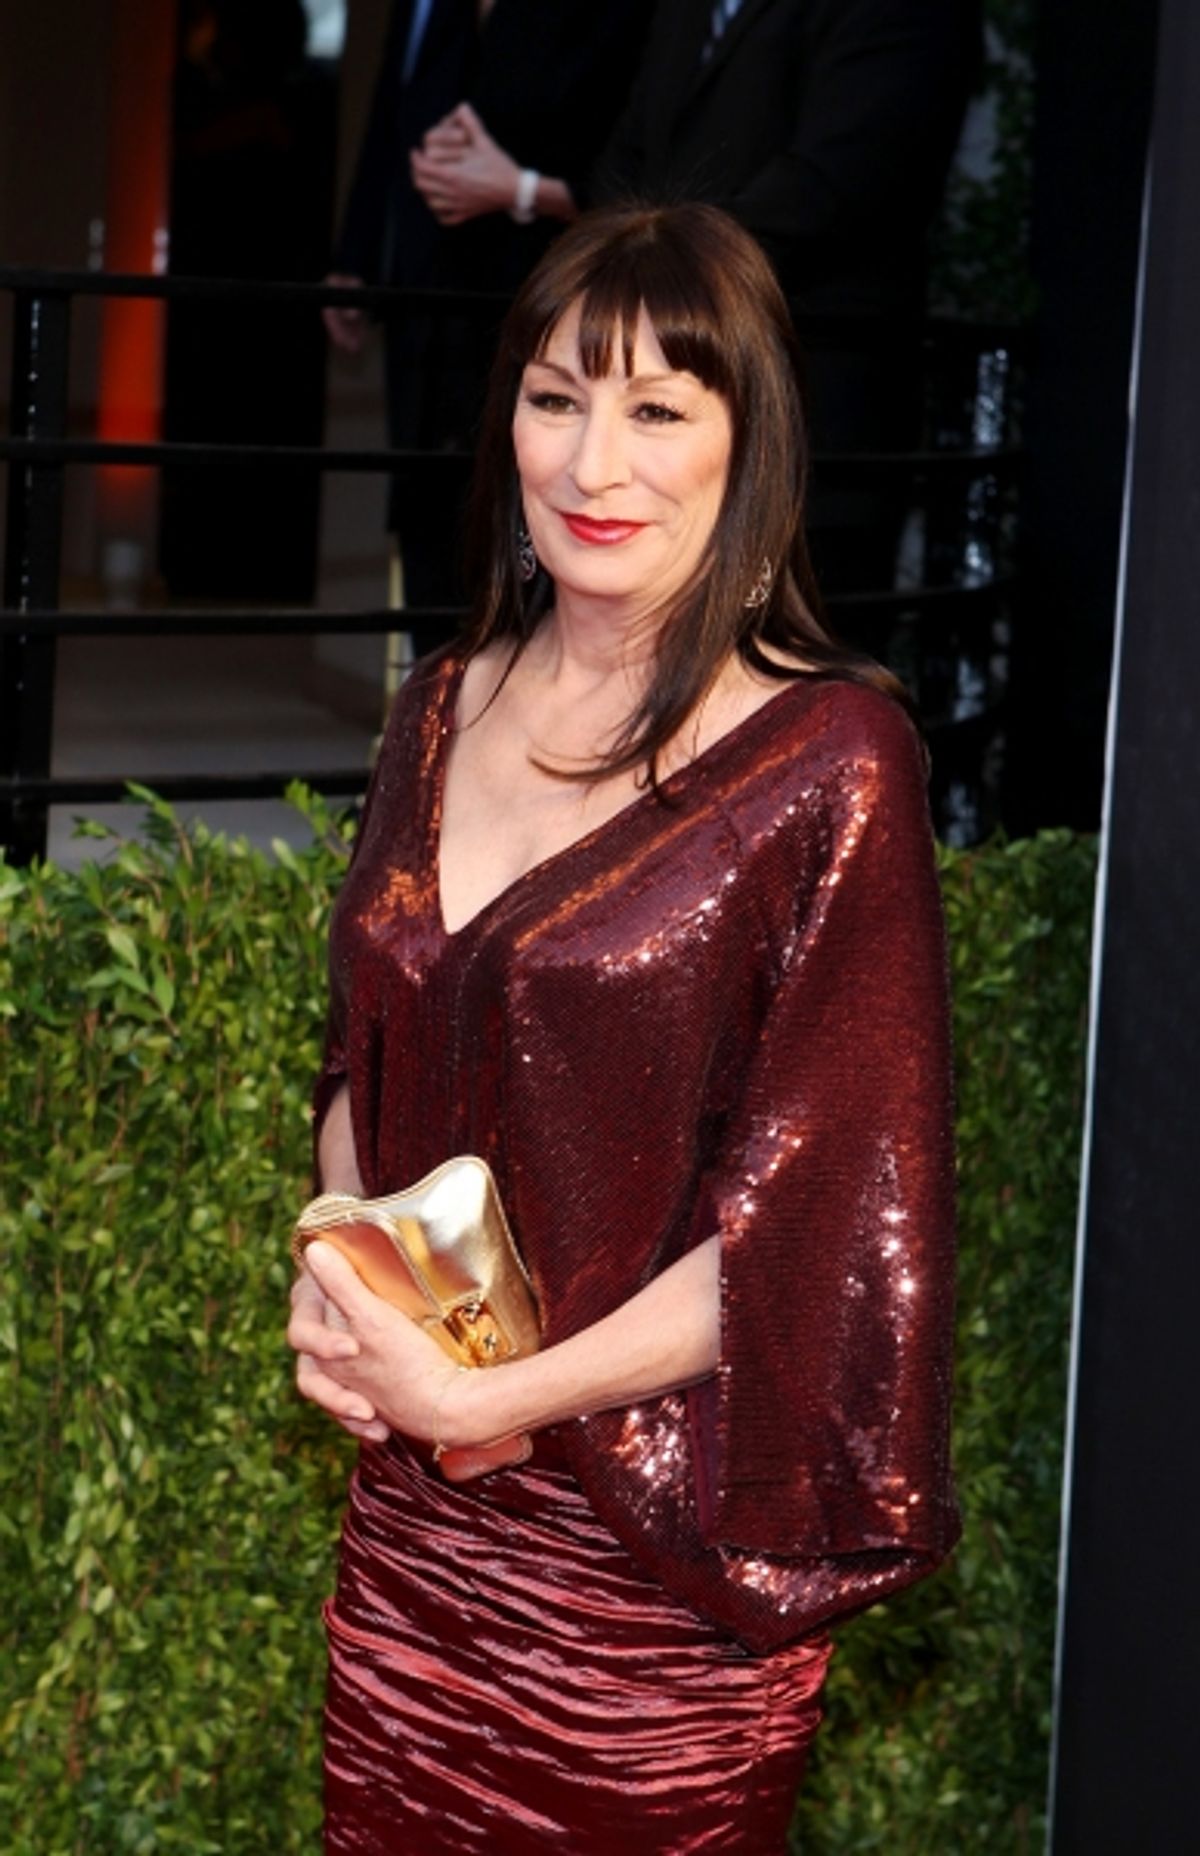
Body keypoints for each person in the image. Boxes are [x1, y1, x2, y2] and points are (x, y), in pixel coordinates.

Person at [288, 203, 959, 1854]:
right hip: (418, 1551)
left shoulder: (830, 763)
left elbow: (816, 1232)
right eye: (555, 394)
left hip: (653, 1589)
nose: (596, 460)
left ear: (751, 446)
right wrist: (352, 1288)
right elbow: (360, 1071)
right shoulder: (439, 707)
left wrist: (498, 1399)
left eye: (661, 408)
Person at [594, 0, 983, 594]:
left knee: (799, 665)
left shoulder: (909, 16)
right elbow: (624, 158)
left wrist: (661, 266)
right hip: (659, 418)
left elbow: (839, 185)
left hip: (810, 412)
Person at [322, 0, 649, 606]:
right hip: (422, 300)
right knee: (427, 521)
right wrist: (357, 257)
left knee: (521, 527)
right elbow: (393, 116)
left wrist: (523, 189)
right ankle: (439, 695)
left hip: (535, 295)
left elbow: (630, 147)